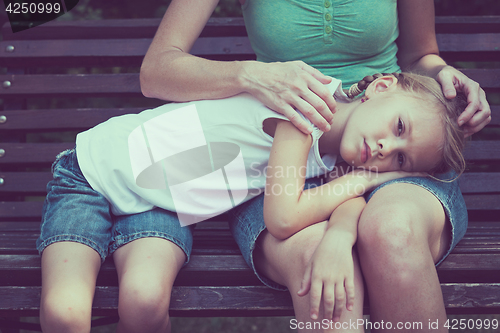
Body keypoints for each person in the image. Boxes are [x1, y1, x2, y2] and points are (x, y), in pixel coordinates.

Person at [140, 1, 491, 332]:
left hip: (388, 149)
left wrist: (444, 75)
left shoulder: (394, 139)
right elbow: (157, 71)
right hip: (276, 161)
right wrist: (252, 75)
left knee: (393, 232)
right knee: (319, 268)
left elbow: (419, 56)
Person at [37, 70, 465, 333]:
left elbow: (339, 200)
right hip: (90, 176)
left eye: (401, 158)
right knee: (66, 316)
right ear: (382, 87)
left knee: (143, 303)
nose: (386, 149)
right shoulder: (307, 109)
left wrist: (340, 232)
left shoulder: (335, 150)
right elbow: (283, 218)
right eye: (399, 126)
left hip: (159, 207)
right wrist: (367, 179)